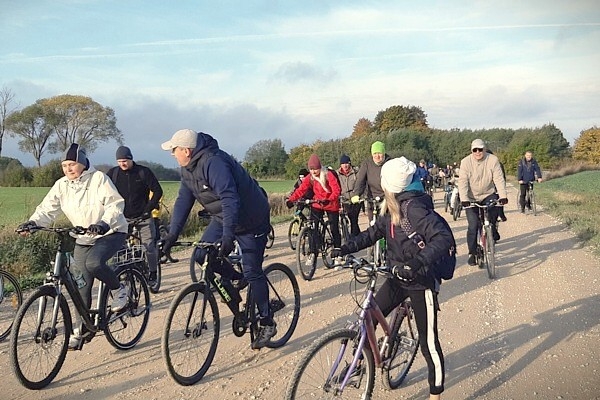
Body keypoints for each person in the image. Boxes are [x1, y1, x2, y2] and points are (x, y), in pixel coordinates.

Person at [332, 156, 451, 399]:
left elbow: (443, 238)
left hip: (420, 282)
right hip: (397, 278)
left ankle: (435, 394)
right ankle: (361, 363)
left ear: (390, 186)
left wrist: (416, 263)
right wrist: (345, 248)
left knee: (429, 343)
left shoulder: (414, 208)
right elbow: (373, 233)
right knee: (368, 319)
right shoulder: (392, 206)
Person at [160, 129, 275, 349]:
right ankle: (234, 278)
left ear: (187, 150)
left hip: (252, 219)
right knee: (201, 254)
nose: (173, 154)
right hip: (223, 218)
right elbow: (183, 203)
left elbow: (229, 198)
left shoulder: (214, 163)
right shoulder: (187, 170)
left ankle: (267, 321)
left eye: (174, 150)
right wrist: (172, 235)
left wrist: (228, 236)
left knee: (252, 271)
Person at [17, 143, 129, 350]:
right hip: (83, 236)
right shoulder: (61, 185)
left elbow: (115, 205)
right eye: (64, 165)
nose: (68, 169)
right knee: (81, 286)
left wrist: (103, 223)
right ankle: (82, 330)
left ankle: (120, 289)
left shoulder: (98, 179)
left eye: (72, 164)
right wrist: (33, 223)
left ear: (83, 164)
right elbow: (47, 209)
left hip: (111, 231)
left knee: (94, 263)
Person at [107, 146, 163, 285]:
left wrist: (147, 209)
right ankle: (123, 272)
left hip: (143, 217)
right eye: (119, 161)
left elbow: (157, 191)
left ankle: (153, 273)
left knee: (149, 246)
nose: (122, 164)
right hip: (122, 218)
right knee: (119, 247)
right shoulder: (113, 174)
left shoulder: (143, 172)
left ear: (131, 159)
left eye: (125, 161)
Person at [458, 139, 508, 266]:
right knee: (473, 225)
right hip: (471, 197)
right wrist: (464, 199)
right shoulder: (465, 162)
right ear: (471, 151)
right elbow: (462, 182)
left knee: (492, 216)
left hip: (488, 194)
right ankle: (472, 253)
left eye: (480, 149)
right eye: (475, 150)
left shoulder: (493, 160)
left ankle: (491, 232)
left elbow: (498, 179)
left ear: (484, 149)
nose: (478, 152)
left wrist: (503, 195)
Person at [286, 153, 342, 262]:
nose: (313, 172)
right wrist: (291, 200)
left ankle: (338, 252)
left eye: (315, 169)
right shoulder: (310, 177)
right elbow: (301, 189)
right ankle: (312, 252)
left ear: (319, 167)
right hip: (317, 203)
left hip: (330, 203)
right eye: (311, 169)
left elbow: (337, 190)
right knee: (313, 227)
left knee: (334, 227)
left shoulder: (328, 174)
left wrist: (329, 198)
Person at [350, 141, 391, 222]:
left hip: (387, 197)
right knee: (373, 223)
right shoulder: (367, 163)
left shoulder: (390, 162)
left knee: (388, 223)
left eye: (379, 153)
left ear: (383, 153)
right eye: (375, 153)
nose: (377, 156)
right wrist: (356, 194)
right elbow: (360, 179)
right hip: (372, 198)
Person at [337, 154, 361, 237]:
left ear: (350, 163)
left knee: (354, 219)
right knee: (351, 218)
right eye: (343, 163)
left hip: (356, 198)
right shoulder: (337, 174)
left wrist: (358, 195)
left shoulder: (356, 172)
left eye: (347, 163)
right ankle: (358, 236)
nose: (345, 165)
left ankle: (353, 237)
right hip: (345, 199)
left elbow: (360, 183)